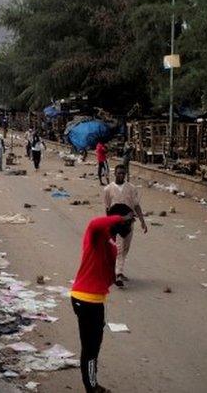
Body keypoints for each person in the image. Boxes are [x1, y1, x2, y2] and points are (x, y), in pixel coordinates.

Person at [71, 204, 136, 393]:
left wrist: (111, 280)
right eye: (128, 222)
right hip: (84, 299)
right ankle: (91, 387)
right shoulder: (97, 234)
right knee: (90, 348)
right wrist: (120, 219)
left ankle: (92, 384)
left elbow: (107, 273)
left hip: (96, 301)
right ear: (118, 219)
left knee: (95, 346)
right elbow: (94, 223)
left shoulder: (111, 242)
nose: (129, 227)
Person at [103, 164, 148, 287]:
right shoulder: (108, 189)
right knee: (119, 247)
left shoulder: (131, 188)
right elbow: (108, 208)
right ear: (115, 174)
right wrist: (108, 224)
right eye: (119, 173)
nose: (121, 175)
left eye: (123, 173)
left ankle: (116, 270)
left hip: (128, 222)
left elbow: (136, 205)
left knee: (125, 248)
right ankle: (119, 273)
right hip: (115, 223)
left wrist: (142, 221)